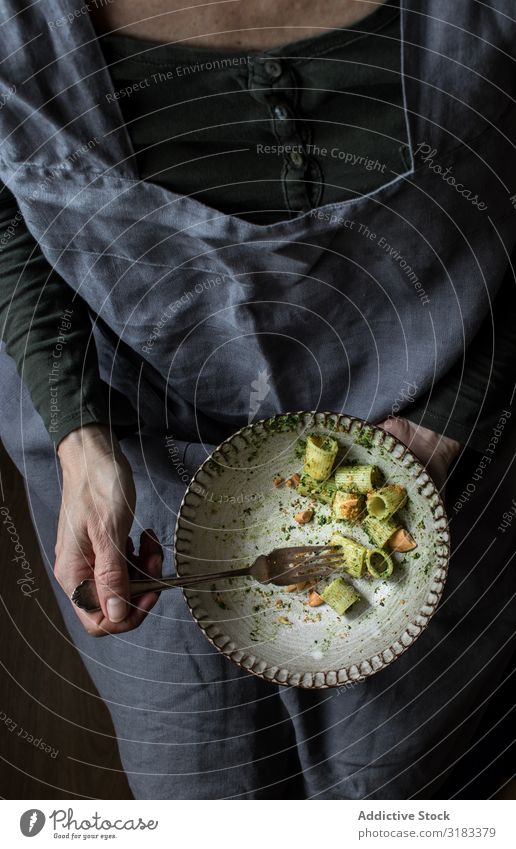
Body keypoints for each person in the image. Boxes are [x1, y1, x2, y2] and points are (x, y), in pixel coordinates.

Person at [0, 0, 515, 799]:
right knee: (200, 782)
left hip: (444, 420)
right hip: (125, 434)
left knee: (400, 780)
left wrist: (450, 422)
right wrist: (80, 436)